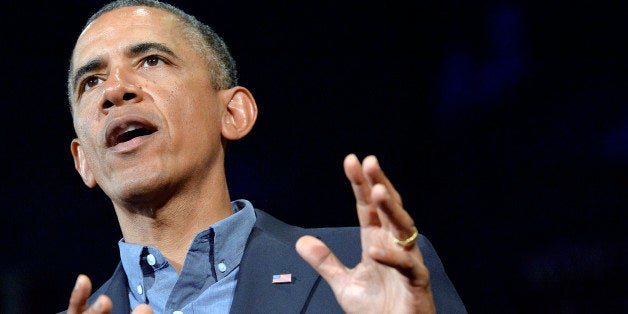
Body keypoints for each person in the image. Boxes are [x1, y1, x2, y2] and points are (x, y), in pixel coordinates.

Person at [60, 0, 467, 313]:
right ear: (84, 162)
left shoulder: (366, 270)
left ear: (233, 113)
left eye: (151, 60)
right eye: (91, 82)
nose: (115, 90)